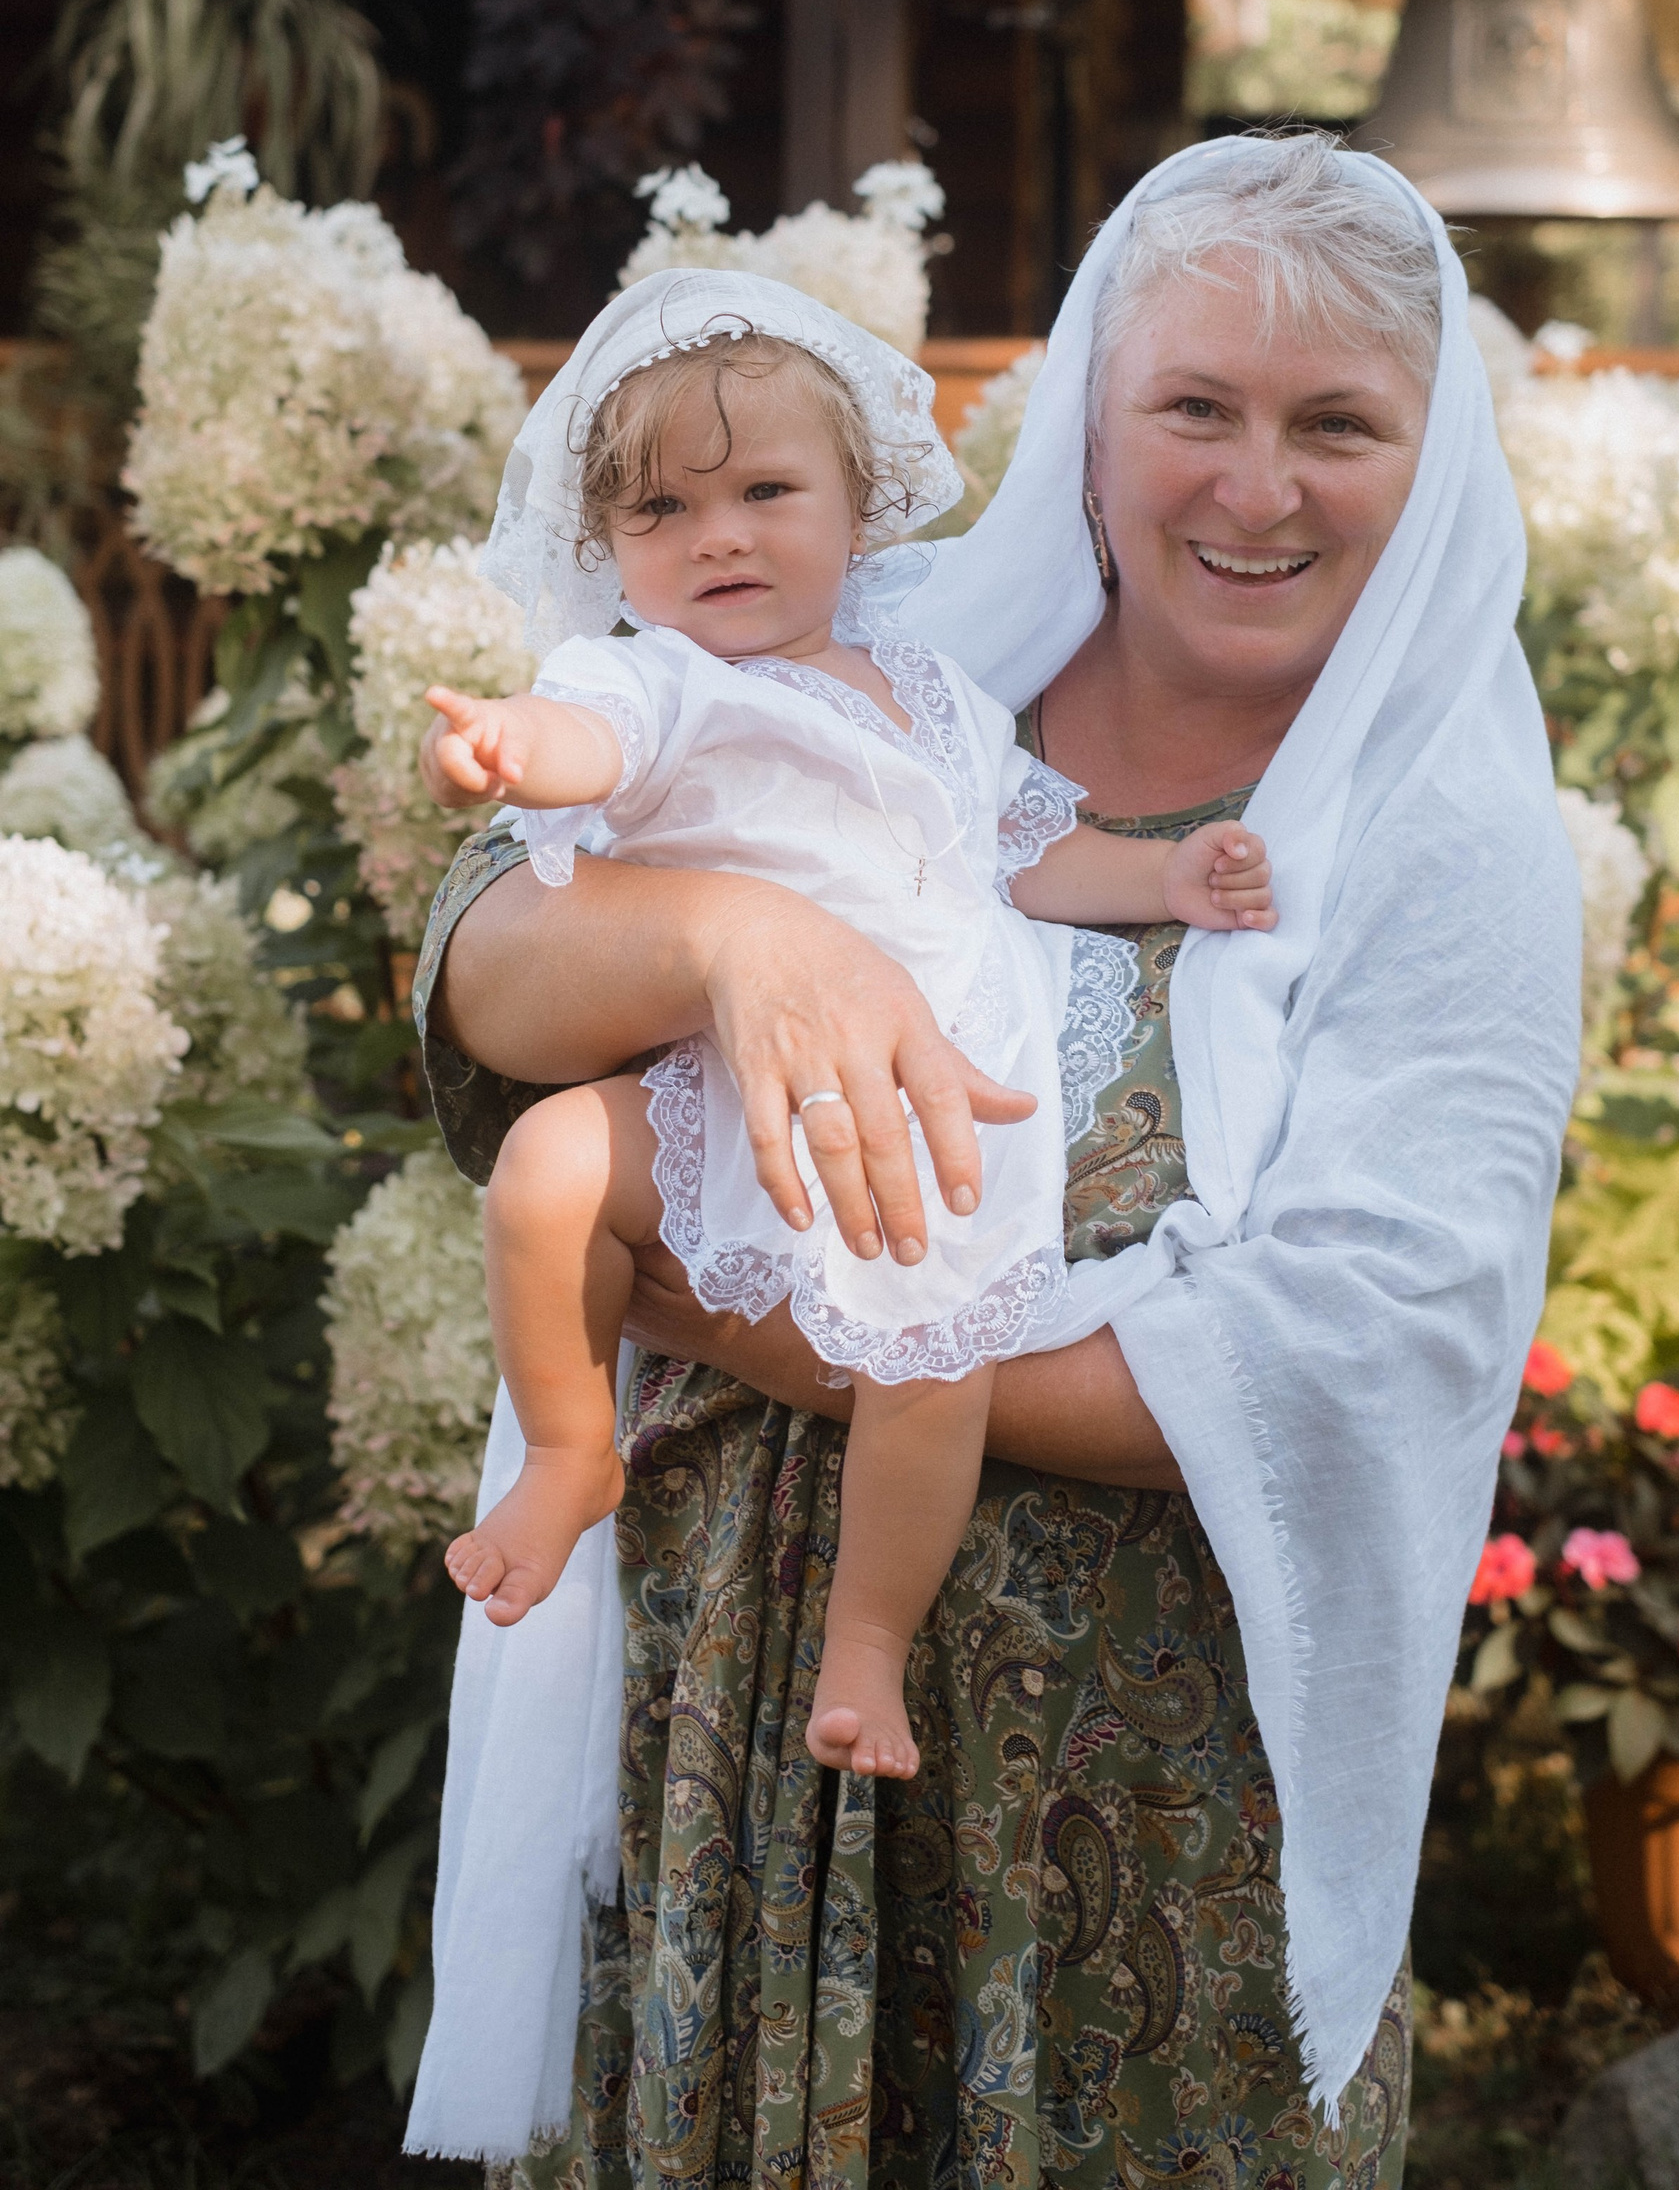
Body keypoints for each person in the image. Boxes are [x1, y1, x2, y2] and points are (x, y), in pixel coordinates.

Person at [404, 130, 1582, 2187]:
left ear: (1433, 460)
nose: (1256, 487)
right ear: (1090, 425)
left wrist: (799, 1350)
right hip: (727, 1727)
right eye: (1194, 407)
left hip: (1131, 1828)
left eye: (1337, 425)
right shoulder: (905, 656)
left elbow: (1358, 1347)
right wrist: (729, 938)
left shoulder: (1443, 840)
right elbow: (487, 954)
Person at [417, 280, 1273, 1785]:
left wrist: (1165, 879)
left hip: (920, 1098)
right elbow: (585, 738)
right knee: (546, 1167)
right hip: (730, 1092)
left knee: (932, 1364)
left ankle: (868, 1642)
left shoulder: (933, 694)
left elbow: (1018, 852)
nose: (719, 537)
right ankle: (568, 1451)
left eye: (765, 493)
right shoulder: (661, 682)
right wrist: (506, 745)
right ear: (609, 547)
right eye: (663, 510)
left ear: (859, 512)